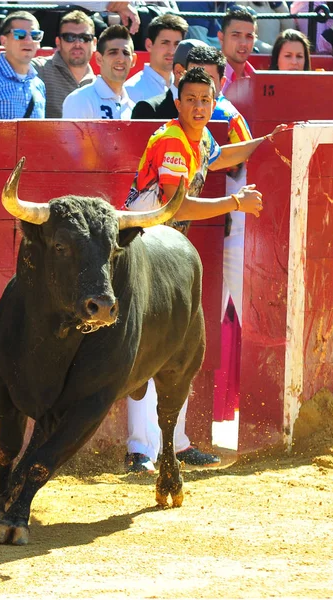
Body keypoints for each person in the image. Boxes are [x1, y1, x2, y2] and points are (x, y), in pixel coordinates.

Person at [123, 67, 286, 473]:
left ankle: (173, 444)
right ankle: (139, 450)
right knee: (145, 348)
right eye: (190, 100)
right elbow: (175, 205)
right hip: (142, 248)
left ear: (214, 104)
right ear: (177, 104)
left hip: (165, 249)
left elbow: (222, 157)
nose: (198, 107)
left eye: (205, 100)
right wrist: (234, 204)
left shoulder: (200, 138)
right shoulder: (173, 143)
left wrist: (266, 142)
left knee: (175, 346)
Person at [0, 10, 97, 118]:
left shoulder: (38, 84)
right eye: (20, 34)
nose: (28, 40)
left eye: (35, 35)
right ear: (3, 40)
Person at [62, 25, 136, 119]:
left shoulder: (132, 107)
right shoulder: (80, 99)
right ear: (99, 59)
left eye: (126, 53)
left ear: (133, 60)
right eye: (113, 52)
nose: (121, 59)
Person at [131, 38, 206, 119]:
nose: (206, 80)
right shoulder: (148, 111)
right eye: (199, 73)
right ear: (179, 71)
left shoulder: (217, 111)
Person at [124, 13, 189, 103]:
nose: (172, 51)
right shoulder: (131, 90)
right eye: (165, 43)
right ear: (149, 45)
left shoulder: (186, 87)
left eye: (176, 44)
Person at [218, 6, 257, 95]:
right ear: (221, 37)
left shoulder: (258, 79)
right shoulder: (209, 77)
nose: (243, 43)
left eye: (249, 36)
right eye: (235, 35)